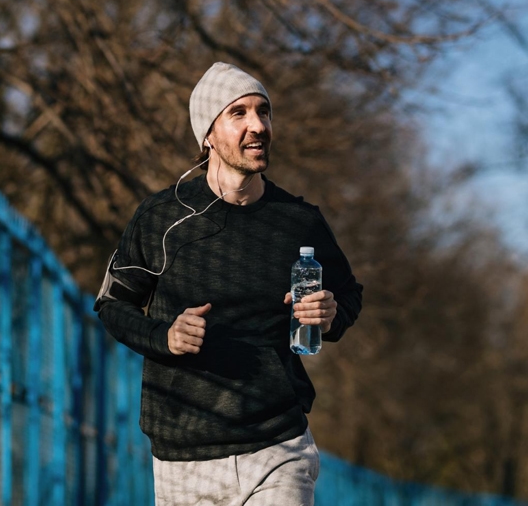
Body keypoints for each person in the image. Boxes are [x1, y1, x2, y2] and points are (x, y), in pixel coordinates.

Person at [94, 61, 363, 506]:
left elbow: (350, 294)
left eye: (264, 112)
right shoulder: (162, 219)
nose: (258, 125)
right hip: (183, 454)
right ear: (207, 135)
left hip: (278, 444)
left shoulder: (298, 222)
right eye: (238, 113)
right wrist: (166, 336)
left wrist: (331, 313)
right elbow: (111, 305)